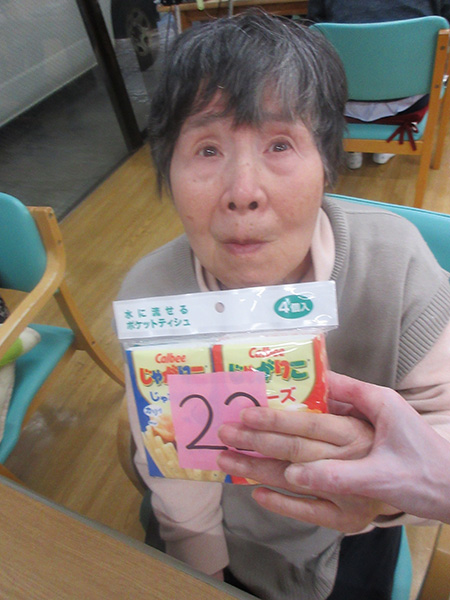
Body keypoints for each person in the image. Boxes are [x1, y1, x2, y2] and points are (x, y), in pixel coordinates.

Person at [115, 11, 450, 600]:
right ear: (169, 166)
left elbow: (441, 427)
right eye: (207, 148)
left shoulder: (396, 265)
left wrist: (378, 493)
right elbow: (173, 463)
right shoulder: (153, 295)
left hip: (357, 526)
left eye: (279, 144)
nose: (244, 192)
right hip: (216, 526)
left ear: (327, 162)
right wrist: (202, 566)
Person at [217, 370, 450, 526]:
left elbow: (443, 411)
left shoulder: (412, 311)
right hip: (231, 533)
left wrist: (388, 496)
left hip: (348, 545)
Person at [307, 0, 450, 169]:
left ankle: (352, 148)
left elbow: (312, 33)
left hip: (342, 105)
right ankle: (388, 145)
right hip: (409, 105)